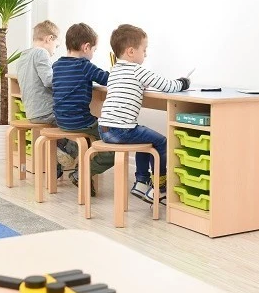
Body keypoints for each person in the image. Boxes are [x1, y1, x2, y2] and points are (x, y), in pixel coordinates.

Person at [98, 24, 190, 205]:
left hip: (105, 129)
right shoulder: (137, 70)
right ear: (131, 51)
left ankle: (141, 182)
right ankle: (160, 188)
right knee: (161, 141)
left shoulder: (115, 70)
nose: (145, 54)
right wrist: (183, 82)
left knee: (143, 137)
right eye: (144, 50)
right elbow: (168, 86)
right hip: (122, 130)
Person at [52, 23, 115, 194]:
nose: (93, 53)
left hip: (61, 120)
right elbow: (107, 79)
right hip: (80, 122)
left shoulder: (57, 65)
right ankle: (83, 172)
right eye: (94, 50)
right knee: (114, 143)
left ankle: (67, 147)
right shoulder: (85, 66)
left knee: (89, 127)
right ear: (86, 47)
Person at [16, 20, 78, 177]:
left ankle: (56, 162)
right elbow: (49, 81)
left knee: (64, 124)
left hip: (32, 112)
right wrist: (67, 77)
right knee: (79, 120)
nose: (55, 52)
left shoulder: (23, 56)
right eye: (56, 46)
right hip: (46, 111)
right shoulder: (41, 53)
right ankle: (66, 152)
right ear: (49, 38)